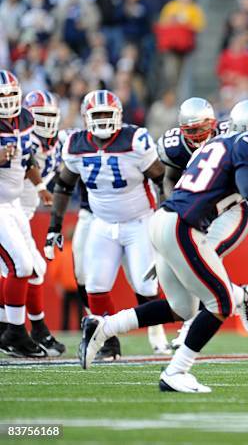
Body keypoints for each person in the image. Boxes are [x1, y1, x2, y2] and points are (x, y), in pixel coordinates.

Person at [78, 99, 248, 393]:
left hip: (163, 220)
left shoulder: (217, 144)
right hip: (184, 225)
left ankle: (104, 326)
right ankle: (177, 371)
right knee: (221, 303)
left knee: (182, 307)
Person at [44, 89, 171, 360]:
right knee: (95, 285)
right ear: (85, 118)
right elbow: (64, 186)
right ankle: (109, 342)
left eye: (107, 114)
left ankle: (156, 330)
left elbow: (161, 179)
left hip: (139, 221)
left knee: (146, 287)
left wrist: (169, 212)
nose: (102, 120)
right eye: (97, 115)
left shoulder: (134, 140)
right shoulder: (76, 144)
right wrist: (55, 225)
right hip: (102, 222)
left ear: (119, 116)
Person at [157, 97, 248, 348]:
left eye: (203, 129)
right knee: (191, 262)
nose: (198, 135)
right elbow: (169, 179)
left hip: (230, 208)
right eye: (191, 131)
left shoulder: (232, 135)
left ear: (214, 124)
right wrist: (176, 206)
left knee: (198, 260)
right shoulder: (174, 147)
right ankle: (240, 296)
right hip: (196, 210)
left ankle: (189, 326)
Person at [0, 70, 50, 357]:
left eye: (10, 95)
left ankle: (7, 328)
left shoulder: (26, 119)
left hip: (14, 203)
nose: (7, 102)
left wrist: (40, 184)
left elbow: (28, 157)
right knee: (19, 265)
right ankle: (16, 334)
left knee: (28, 267)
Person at [16, 90, 67, 356]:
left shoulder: (59, 143)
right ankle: (27, 330)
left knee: (33, 270)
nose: (46, 122)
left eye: (51, 115)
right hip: (9, 210)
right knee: (28, 268)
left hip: (22, 213)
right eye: (41, 115)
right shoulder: (21, 137)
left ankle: (33, 330)